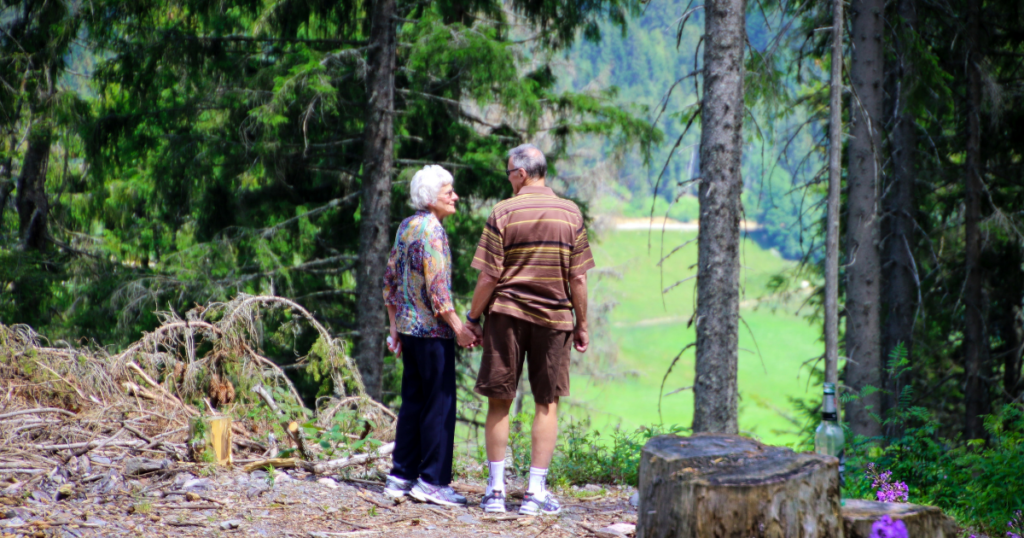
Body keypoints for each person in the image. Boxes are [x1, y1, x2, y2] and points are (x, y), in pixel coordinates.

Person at [464, 144, 595, 515]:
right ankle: (535, 494)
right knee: (546, 403)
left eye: (509, 173)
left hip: (505, 316)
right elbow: (579, 276)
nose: (508, 179)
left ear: (521, 174)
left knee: (499, 402)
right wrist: (582, 324)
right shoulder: (570, 213)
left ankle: (495, 492)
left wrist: (472, 319)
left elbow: (489, 275)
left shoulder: (503, 211)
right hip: (554, 320)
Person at [381, 165, 477, 507]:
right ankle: (432, 481)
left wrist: (394, 330)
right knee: (439, 405)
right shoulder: (433, 231)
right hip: (433, 332)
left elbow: (389, 282)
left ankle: (400, 475)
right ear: (431, 197)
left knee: (413, 402)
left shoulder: (407, 226)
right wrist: (460, 330)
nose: (455, 196)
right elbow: (439, 293)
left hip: (409, 330)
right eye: (448, 191)